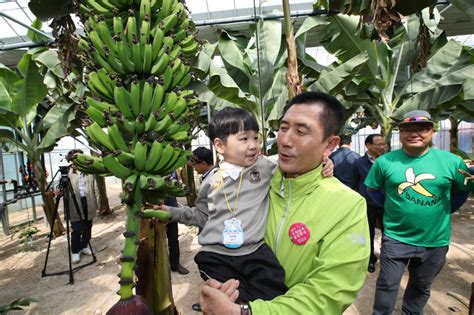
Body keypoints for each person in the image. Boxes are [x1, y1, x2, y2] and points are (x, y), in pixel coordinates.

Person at [199, 91, 370, 314]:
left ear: (330, 144)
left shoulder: (347, 205)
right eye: (283, 127)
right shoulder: (257, 181)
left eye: (301, 131)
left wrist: (244, 312)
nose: (285, 140)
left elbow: (328, 293)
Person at [162, 107, 289, 303]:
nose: (254, 145)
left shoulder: (265, 168)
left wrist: (324, 162)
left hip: (254, 252)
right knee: (229, 294)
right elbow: (202, 216)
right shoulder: (211, 181)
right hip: (216, 254)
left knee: (274, 288)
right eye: (244, 139)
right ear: (220, 146)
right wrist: (172, 212)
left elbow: (296, 166)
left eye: (256, 138)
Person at [364, 110, 473, 314]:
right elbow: (372, 189)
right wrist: (391, 206)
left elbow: (461, 192)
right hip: (396, 237)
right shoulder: (385, 161)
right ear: (400, 133)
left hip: (435, 240)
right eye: (408, 129)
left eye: (421, 129)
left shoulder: (452, 162)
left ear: (431, 132)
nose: (414, 134)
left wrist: (444, 210)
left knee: (421, 286)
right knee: (387, 285)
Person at [353, 134, 386, 273]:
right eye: (378, 144)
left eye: (383, 144)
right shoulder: (359, 163)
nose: (382, 147)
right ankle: (370, 259)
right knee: (369, 233)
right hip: (368, 205)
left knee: (388, 233)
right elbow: (355, 182)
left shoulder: (387, 161)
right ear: (368, 145)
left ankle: (387, 259)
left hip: (386, 204)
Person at [66, 150, 99, 264]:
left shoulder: (89, 171)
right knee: (77, 227)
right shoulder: (68, 171)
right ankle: (75, 250)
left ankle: (85, 245)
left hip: (88, 201)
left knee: (88, 225)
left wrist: (96, 203)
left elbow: (95, 188)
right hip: (74, 202)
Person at [165, 172, 189, 275]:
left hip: (172, 209)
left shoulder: (172, 169)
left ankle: (175, 264)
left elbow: (177, 187)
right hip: (154, 208)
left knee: (173, 238)